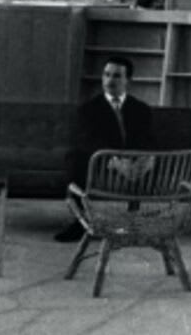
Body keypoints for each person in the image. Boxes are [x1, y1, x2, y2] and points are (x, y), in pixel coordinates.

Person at [54, 56, 155, 242]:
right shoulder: (88, 109)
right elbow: (88, 140)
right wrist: (114, 161)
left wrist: (140, 160)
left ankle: (133, 222)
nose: (110, 81)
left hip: (132, 163)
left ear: (128, 80)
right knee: (75, 157)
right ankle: (80, 222)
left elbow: (146, 140)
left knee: (150, 159)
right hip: (101, 163)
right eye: (106, 75)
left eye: (117, 76)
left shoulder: (141, 109)